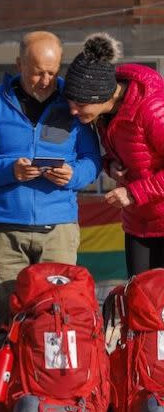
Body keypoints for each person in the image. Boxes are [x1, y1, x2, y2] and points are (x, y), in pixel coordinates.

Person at [0, 31, 100, 351]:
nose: (45, 80)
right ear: (18, 64)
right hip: (6, 230)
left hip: (59, 229)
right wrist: (11, 170)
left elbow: (92, 160)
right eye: (37, 72)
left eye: (53, 72)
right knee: (7, 315)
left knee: (59, 313)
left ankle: (53, 388)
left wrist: (73, 175)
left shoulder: (73, 104)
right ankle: (5, 389)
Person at [64, 32, 164, 276]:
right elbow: (118, 153)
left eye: (80, 104)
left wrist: (132, 192)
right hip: (138, 223)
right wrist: (111, 165)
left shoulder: (152, 109)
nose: (73, 111)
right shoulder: (105, 115)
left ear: (101, 96)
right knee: (139, 300)